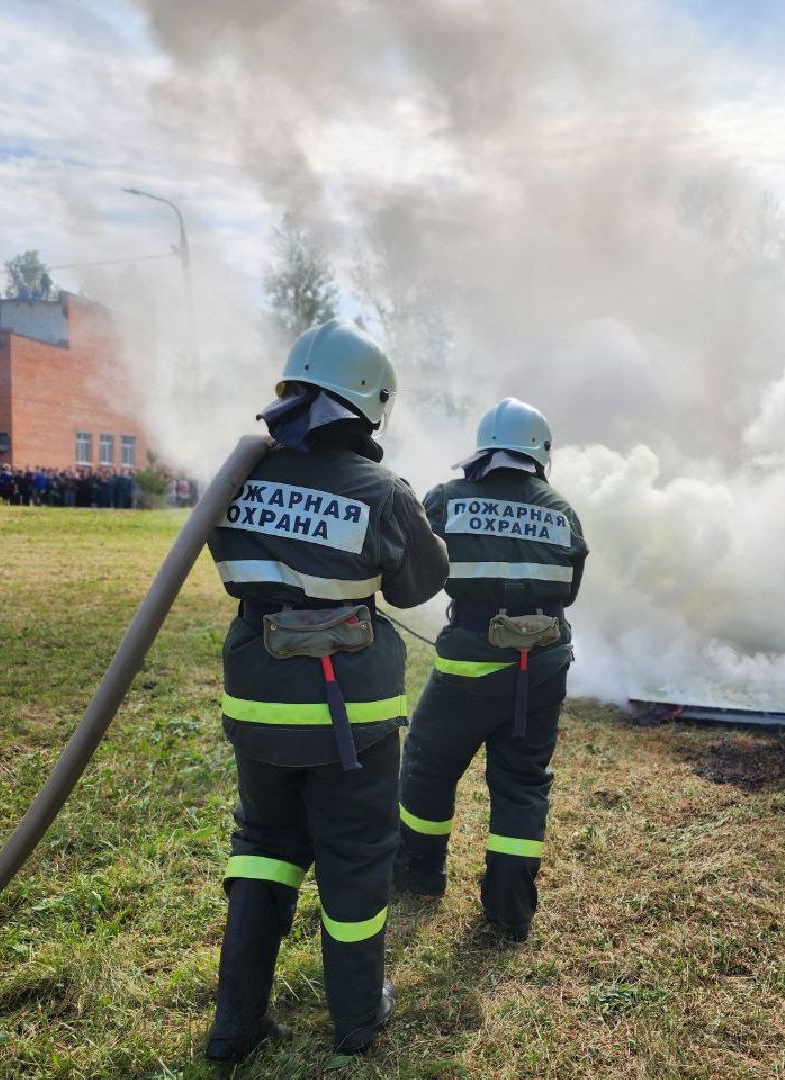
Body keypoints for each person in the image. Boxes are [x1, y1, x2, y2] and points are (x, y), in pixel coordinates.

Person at [204, 318, 448, 1061]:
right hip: (353, 721)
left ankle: (235, 1025)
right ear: (369, 403)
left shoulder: (239, 475)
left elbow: (228, 562)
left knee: (264, 848)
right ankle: (356, 1018)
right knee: (354, 857)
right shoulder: (380, 489)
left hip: (260, 705)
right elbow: (419, 588)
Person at [394, 398, 588, 943]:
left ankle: (419, 874)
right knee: (524, 782)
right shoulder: (562, 510)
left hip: (468, 669)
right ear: (540, 454)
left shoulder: (447, 500)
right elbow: (568, 591)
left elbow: (416, 577)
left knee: (429, 768)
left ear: (483, 451)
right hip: (543, 667)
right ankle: (510, 911)